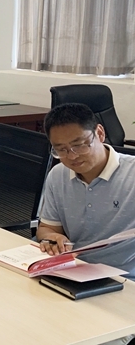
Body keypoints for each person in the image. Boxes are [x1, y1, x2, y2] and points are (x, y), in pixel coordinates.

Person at [37, 104, 135, 275]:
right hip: (73, 269)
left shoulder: (131, 174)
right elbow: (47, 228)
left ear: (100, 133)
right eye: (61, 149)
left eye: (80, 145)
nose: (72, 156)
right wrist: (52, 237)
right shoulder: (58, 175)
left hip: (124, 277)